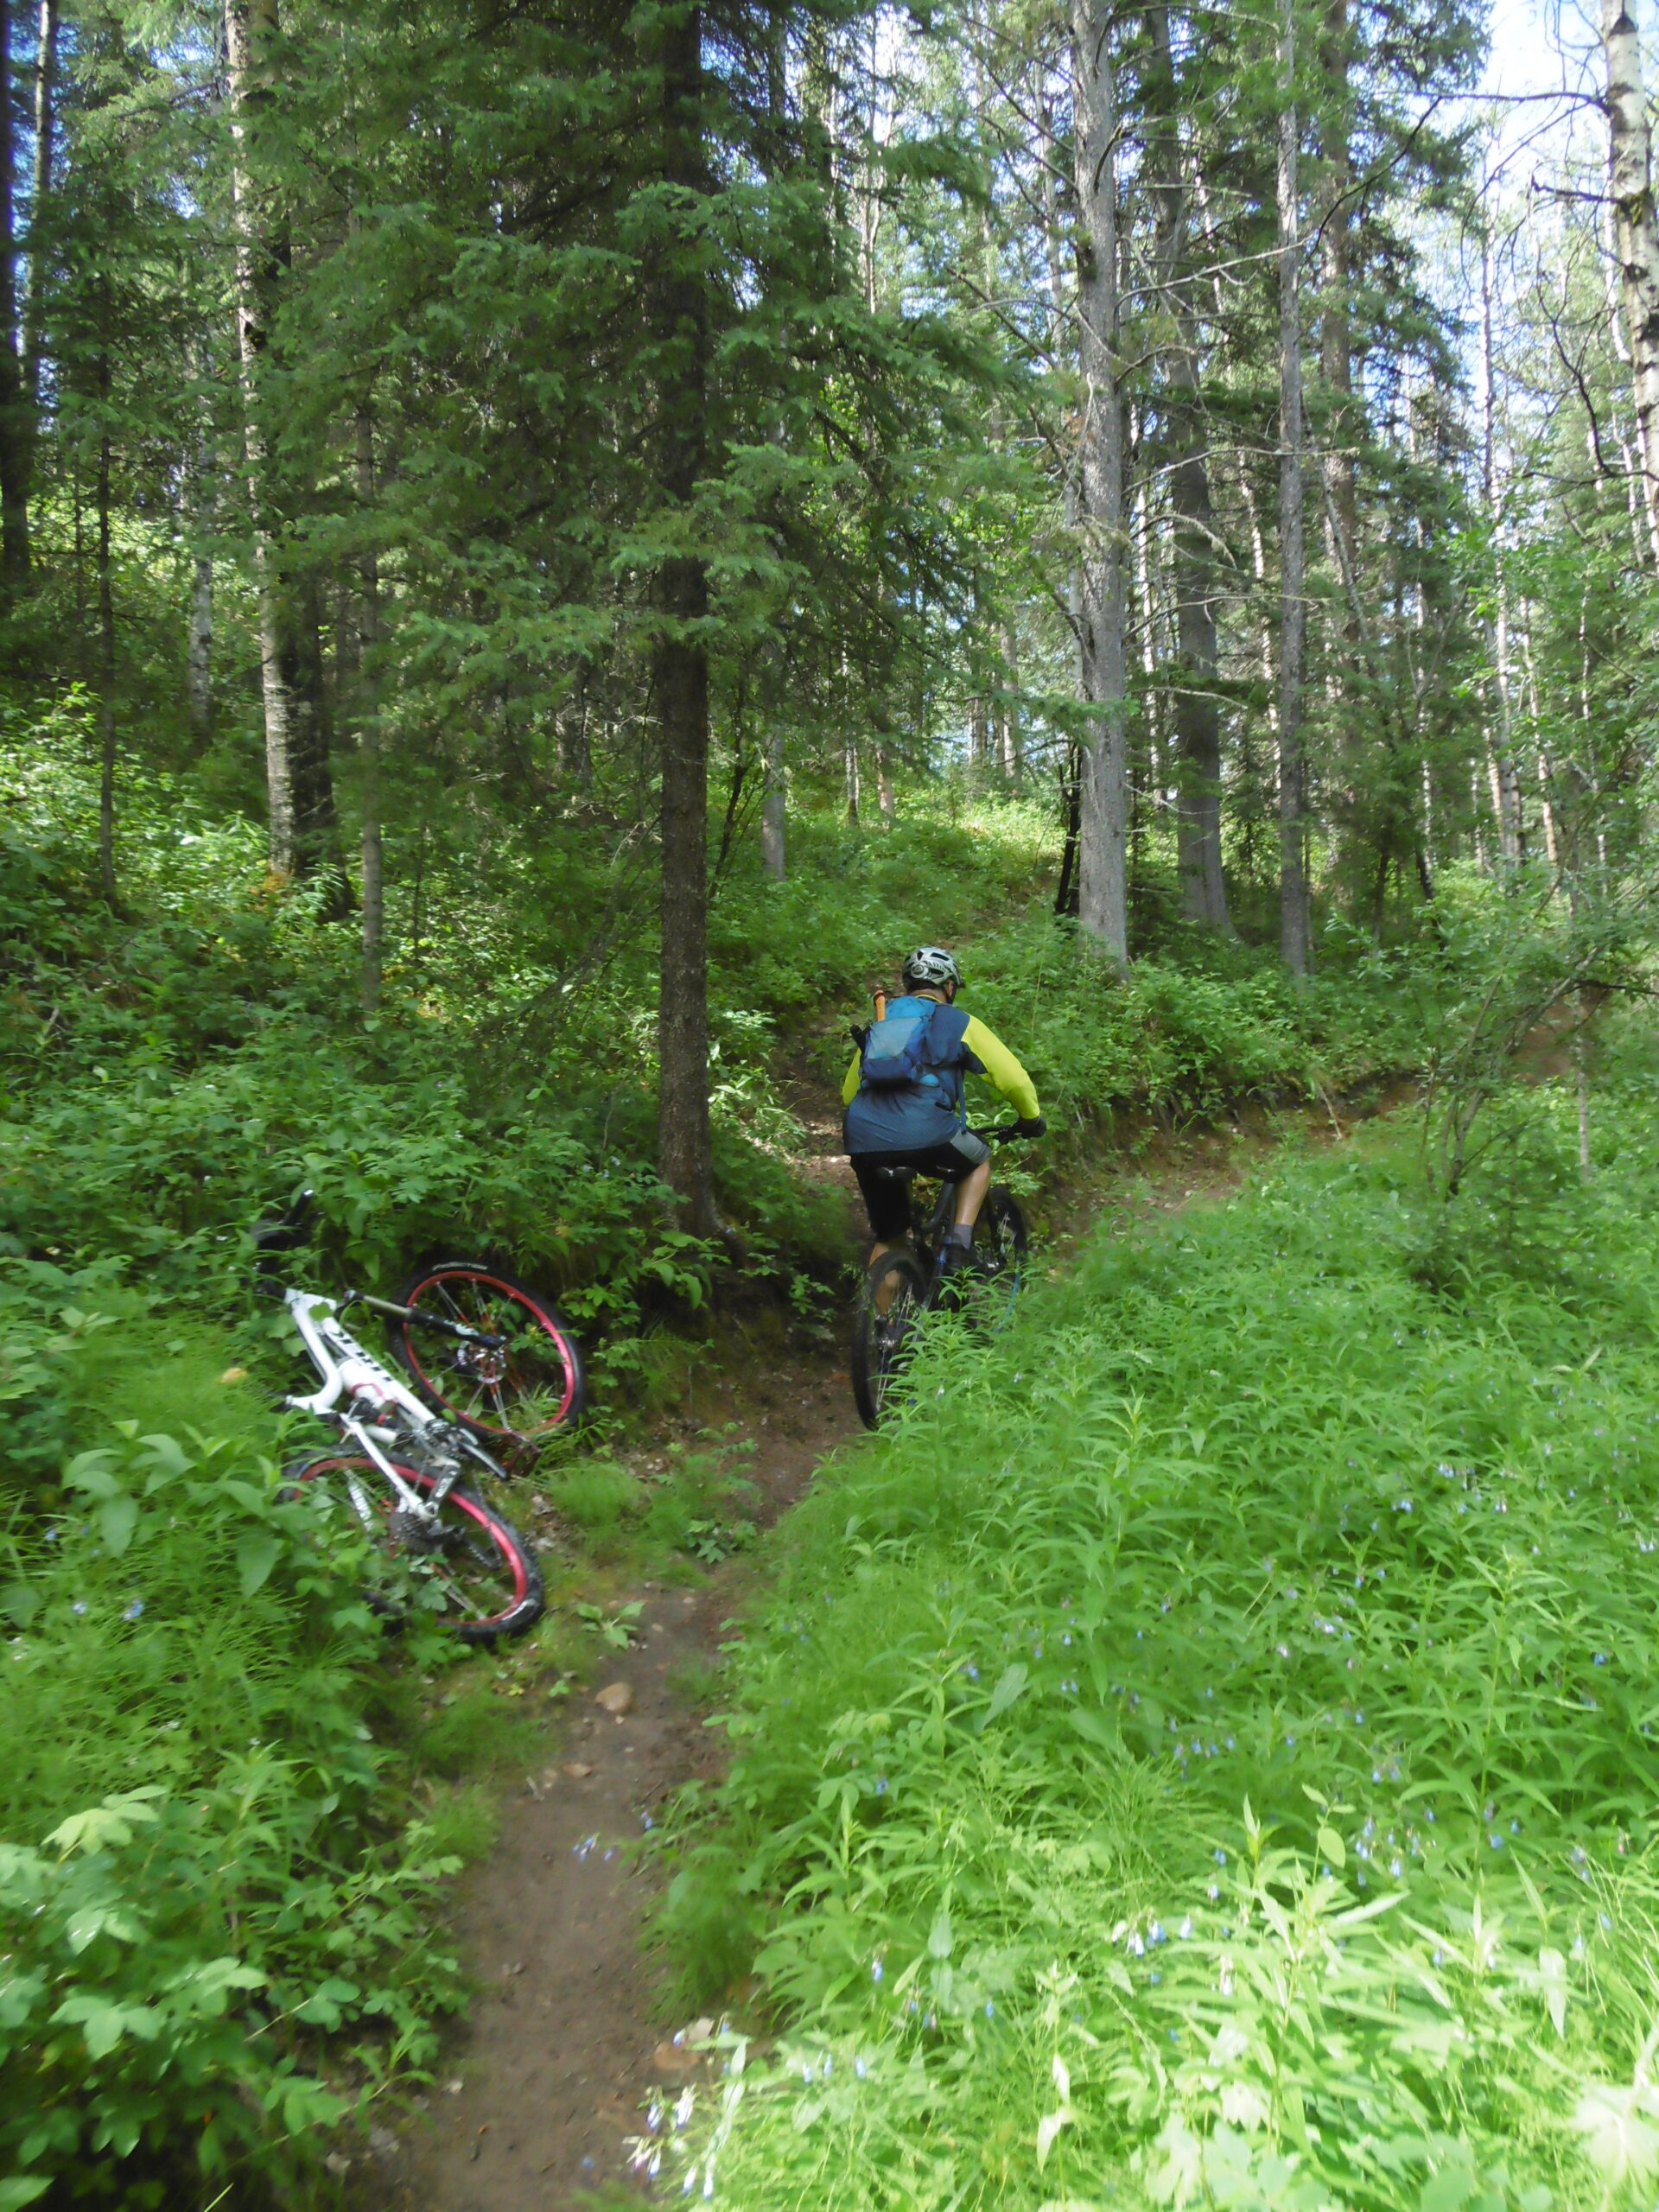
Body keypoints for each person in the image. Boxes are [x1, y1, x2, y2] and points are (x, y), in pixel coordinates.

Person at [842, 945, 1046, 1276]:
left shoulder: (883, 1022)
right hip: (927, 1131)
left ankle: (881, 1326)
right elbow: (1013, 1079)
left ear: (909, 984)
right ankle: (958, 1248)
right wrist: (1030, 1118)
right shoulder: (958, 1021)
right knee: (978, 1162)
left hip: (864, 1138)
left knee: (889, 1237)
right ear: (949, 987)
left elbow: (849, 1093)